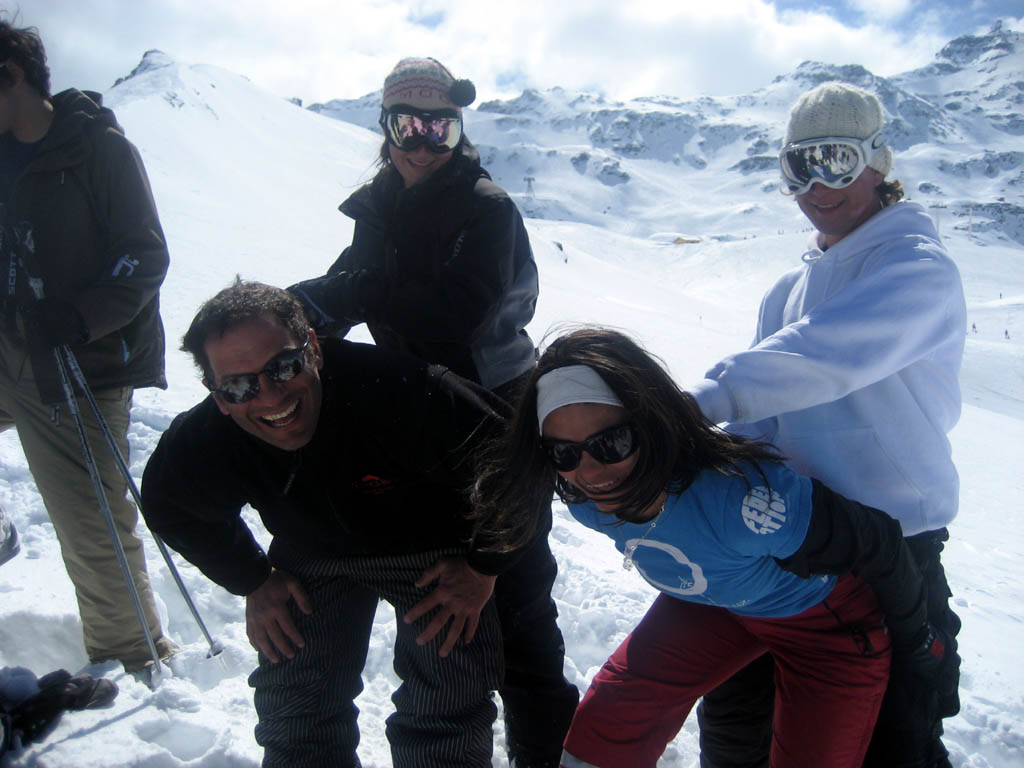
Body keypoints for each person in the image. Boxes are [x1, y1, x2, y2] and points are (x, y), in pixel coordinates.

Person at [471, 327, 951, 768]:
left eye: (611, 443)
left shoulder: (739, 504)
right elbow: (514, 504)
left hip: (826, 629)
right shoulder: (583, 498)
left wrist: (918, 641)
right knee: (609, 724)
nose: (591, 471)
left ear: (650, 422)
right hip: (719, 606)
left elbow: (878, 543)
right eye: (563, 452)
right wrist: (479, 568)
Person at [289, 56, 577, 767]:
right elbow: (355, 285)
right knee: (450, 587)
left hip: (495, 409)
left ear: (458, 130)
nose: (421, 144)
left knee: (518, 601)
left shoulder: (485, 207)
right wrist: (290, 324)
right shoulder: (380, 203)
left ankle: (547, 753)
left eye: (439, 128)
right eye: (406, 127)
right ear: (386, 128)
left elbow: (457, 316)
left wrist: (355, 294)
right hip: (421, 409)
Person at [689, 81, 966, 768]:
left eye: (836, 161)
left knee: (893, 742)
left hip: (894, 549)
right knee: (742, 725)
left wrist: (695, 404)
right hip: (790, 538)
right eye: (798, 166)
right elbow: (765, 421)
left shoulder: (917, 270)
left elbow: (826, 355)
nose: (817, 185)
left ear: (877, 160)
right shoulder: (786, 292)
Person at [140, 280, 515, 767]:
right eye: (238, 386)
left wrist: (482, 566)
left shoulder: (403, 390)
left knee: (447, 696)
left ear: (313, 349)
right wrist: (252, 578)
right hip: (311, 551)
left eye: (283, 366)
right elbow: (170, 504)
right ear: (218, 396)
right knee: (297, 709)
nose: (269, 396)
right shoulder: (210, 436)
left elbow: (514, 465)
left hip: (431, 547)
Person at [0, 19, 175, 672]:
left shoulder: (96, 149)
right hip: (8, 347)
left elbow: (144, 254)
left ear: (12, 75)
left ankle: (131, 658)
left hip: (76, 363)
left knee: (91, 522)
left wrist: (79, 316)